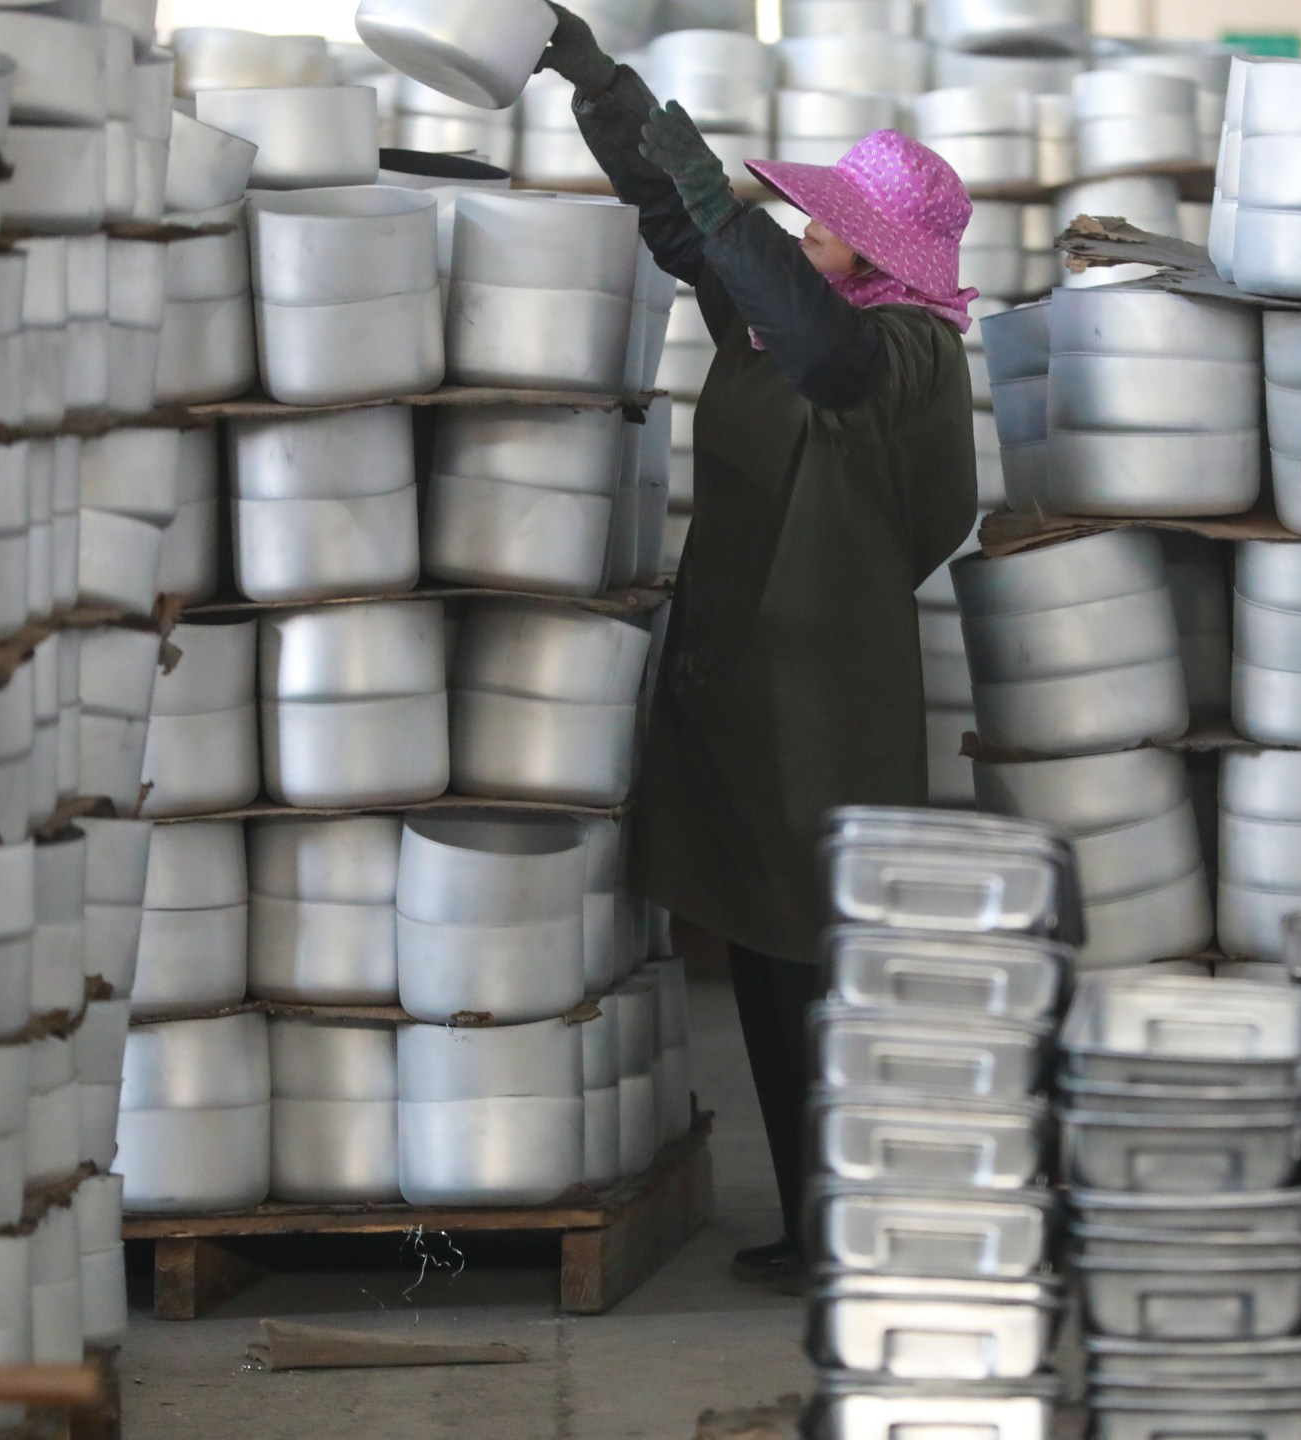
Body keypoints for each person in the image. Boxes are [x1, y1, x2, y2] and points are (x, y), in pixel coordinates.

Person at [539, 8, 982, 1289]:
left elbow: (815, 343)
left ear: (882, 245)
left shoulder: (897, 352)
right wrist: (597, 80)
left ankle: (854, 1225)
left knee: (818, 964)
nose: (805, 226)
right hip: (740, 669)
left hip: (822, 696)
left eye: (831, 215)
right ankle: (815, 1222)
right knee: (770, 956)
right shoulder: (787, 316)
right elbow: (695, 235)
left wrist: (730, 217)